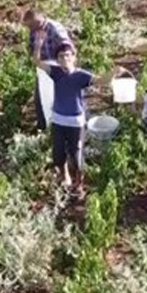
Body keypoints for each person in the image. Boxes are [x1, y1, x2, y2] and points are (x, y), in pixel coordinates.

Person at [39, 44, 94, 195]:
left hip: (76, 122)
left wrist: (115, 73)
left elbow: (100, 81)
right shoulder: (55, 72)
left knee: (76, 156)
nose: (65, 59)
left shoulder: (81, 75)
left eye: (68, 55)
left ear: (74, 58)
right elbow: (37, 62)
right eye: (61, 56)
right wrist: (38, 45)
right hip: (58, 120)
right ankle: (66, 177)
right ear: (57, 60)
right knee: (58, 155)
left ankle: (79, 184)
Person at [24, 9, 73, 130]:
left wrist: (66, 68)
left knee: (59, 99)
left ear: (40, 19)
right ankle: (43, 126)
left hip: (58, 68)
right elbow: (31, 48)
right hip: (43, 68)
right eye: (29, 26)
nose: (31, 28)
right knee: (40, 99)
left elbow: (68, 48)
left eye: (32, 25)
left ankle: (62, 127)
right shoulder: (34, 30)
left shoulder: (54, 28)